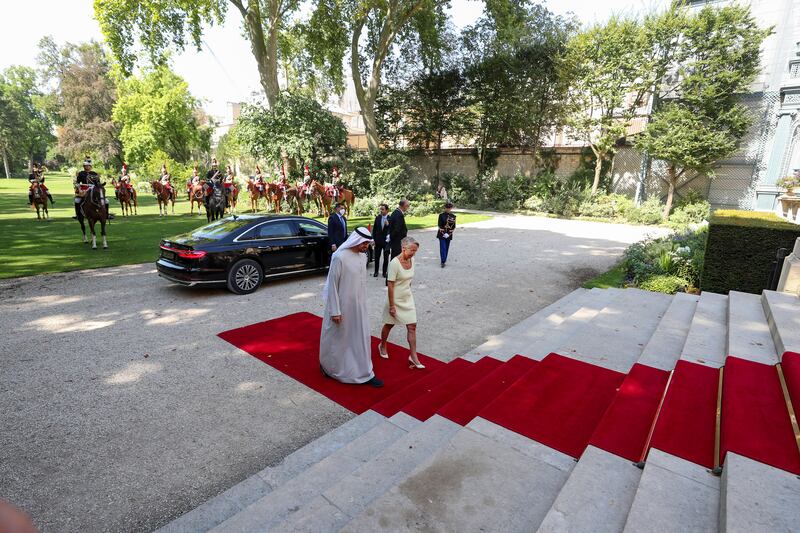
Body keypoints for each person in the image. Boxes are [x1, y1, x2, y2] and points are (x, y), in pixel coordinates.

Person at [319, 227, 383, 387]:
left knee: (360, 338)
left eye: (368, 243)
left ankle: (365, 372)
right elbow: (333, 285)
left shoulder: (363, 257)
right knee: (339, 339)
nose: (366, 246)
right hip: (341, 307)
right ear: (356, 240)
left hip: (358, 307)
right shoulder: (339, 257)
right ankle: (330, 368)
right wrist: (335, 311)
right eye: (364, 243)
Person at [378, 236, 423, 369]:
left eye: (415, 251)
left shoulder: (412, 260)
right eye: (412, 250)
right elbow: (390, 285)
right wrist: (392, 305)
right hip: (394, 299)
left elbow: (409, 280)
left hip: (407, 298)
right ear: (404, 248)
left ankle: (413, 356)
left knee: (412, 326)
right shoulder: (394, 263)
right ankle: (383, 345)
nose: (414, 253)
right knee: (389, 324)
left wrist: (408, 292)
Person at [372, 203, 391, 278]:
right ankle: (376, 272)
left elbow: (392, 230)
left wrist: (388, 225)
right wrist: (373, 239)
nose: (381, 211)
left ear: (387, 210)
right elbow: (374, 229)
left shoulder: (390, 218)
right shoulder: (378, 218)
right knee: (377, 257)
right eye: (381, 209)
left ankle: (384, 272)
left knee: (386, 258)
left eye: (383, 209)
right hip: (378, 241)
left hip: (386, 242)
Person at [437, 202, 457, 268]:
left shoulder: (453, 216)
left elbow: (454, 226)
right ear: (445, 208)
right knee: (443, 247)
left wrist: (451, 231)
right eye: (447, 208)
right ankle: (443, 261)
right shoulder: (441, 215)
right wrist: (443, 232)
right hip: (442, 233)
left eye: (449, 208)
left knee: (447, 248)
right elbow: (439, 225)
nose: (448, 209)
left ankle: (444, 260)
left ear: (451, 208)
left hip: (449, 234)